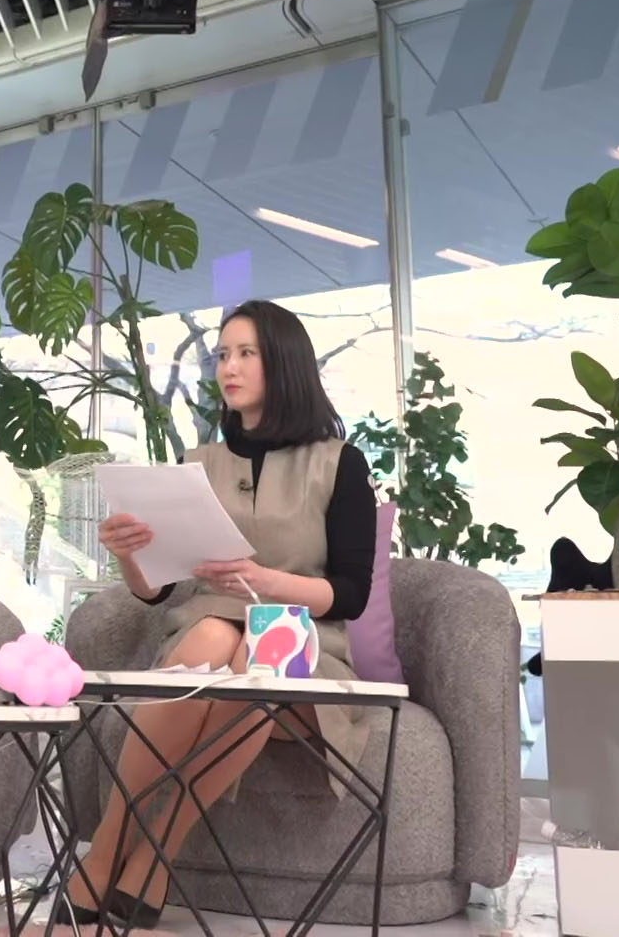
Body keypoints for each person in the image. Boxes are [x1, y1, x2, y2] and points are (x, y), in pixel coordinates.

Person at [62, 299, 378, 928]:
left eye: (245, 354)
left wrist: (263, 580)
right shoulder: (198, 463)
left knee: (256, 655)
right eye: (222, 355)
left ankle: (135, 849)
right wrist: (129, 554)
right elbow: (157, 590)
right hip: (206, 629)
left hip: (298, 638)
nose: (227, 368)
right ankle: (127, 851)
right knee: (211, 633)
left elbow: (351, 593)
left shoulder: (339, 462)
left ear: (282, 363)